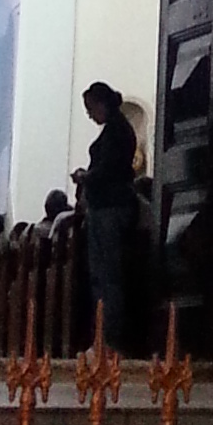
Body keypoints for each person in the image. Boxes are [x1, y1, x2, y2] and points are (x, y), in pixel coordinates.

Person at [76, 79, 139, 350]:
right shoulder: (116, 129)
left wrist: (85, 177)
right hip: (106, 207)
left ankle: (109, 338)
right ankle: (104, 336)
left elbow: (109, 169)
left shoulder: (117, 131)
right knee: (102, 275)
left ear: (102, 104)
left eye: (91, 108)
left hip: (110, 209)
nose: (89, 114)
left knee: (107, 276)